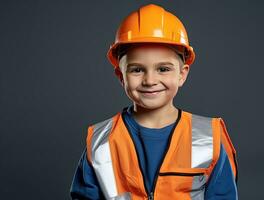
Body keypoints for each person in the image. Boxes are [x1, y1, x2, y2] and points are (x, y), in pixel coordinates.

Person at [70, 4, 238, 200]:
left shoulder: (209, 138)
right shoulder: (101, 142)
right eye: (137, 70)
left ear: (182, 74)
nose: (150, 80)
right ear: (120, 76)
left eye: (163, 69)